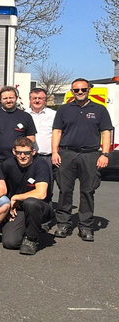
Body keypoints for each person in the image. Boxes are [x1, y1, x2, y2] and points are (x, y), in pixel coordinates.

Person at [51, 78, 113, 242]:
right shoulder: (64, 109)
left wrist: (104, 154)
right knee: (65, 191)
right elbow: (57, 131)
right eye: (76, 90)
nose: (80, 92)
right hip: (67, 154)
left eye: (83, 90)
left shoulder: (99, 110)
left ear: (88, 90)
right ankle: (63, 224)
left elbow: (106, 132)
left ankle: (85, 227)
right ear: (72, 91)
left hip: (90, 155)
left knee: (87, 191)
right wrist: (54, 152)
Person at [1, 137, 53, 255]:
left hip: (40, 208)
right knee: (10, 242)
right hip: (18, 209)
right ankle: (25, 229)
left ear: (33, 152)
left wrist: (15, 197)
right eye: (19, 153)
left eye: (26, 153)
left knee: (31, 202)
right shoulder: (7, 165)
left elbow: (41, 193)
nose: (22, 156)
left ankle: (31, 240)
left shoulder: (41, 164)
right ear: (14, 152)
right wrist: (6, 205)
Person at [0, 86, 36, 163]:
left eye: (11, 98)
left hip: (17, 160)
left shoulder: (26, 116)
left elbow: (31, 138)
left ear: (16, 98)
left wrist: (23, 153)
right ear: (0, 99)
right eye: (5, 98)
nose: (8, 101)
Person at [25, 87, 55, 198]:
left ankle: (47, 210)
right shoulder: (24, 114)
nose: (37, 101)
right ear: (30, 100)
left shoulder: (53, 115)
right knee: (28, 184)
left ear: (45, 100)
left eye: (40, 98)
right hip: (27, 156)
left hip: (46, 157)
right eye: (34, 98)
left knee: (47, 185)